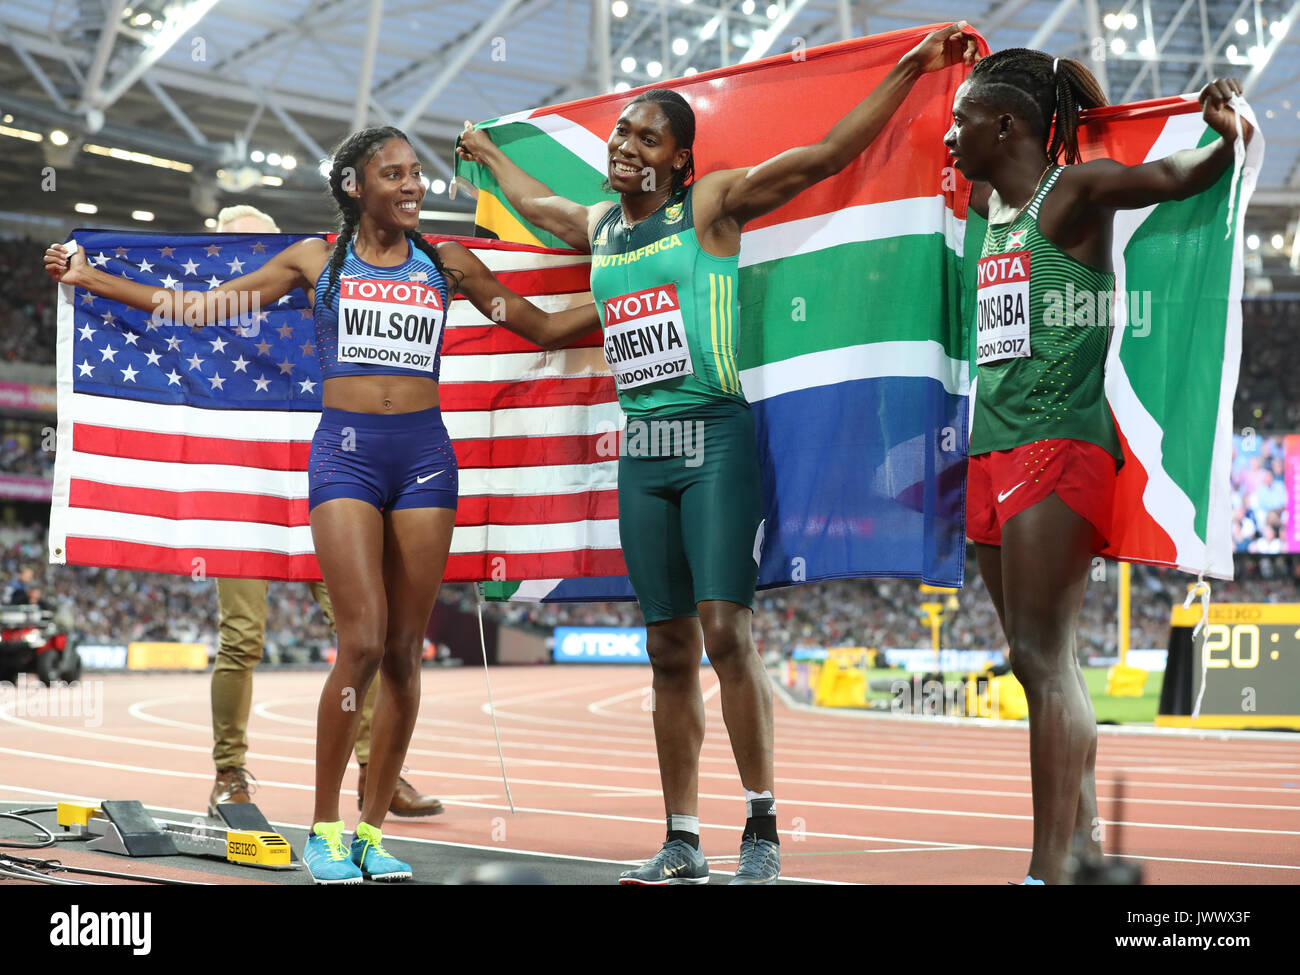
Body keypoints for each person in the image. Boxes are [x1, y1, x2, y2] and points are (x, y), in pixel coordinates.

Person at [457, 22, 979, 884]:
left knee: (724, 631)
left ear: (679, 162)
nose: (626, 146)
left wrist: (907, 71)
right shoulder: (598, 230)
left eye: (646, 137)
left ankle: (764, 826)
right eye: (622, 132)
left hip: (715, 438)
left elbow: (823, 156)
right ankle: (681, 837)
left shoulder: (711, 209)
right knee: (665, 649)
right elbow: (530, 204)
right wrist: (484, 153)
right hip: (643, 452)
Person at [44, 124, 601, 883]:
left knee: (406, 650)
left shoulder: (446, 259)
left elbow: (536, 326)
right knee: (363, 641)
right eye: (395, 175)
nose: (414, 187)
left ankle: (372, 830)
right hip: (347, 456)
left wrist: (633, 292)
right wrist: (92, 280)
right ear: (354, 186)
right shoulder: (318, 260)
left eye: (417, 175)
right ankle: (325, 827)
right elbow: (201, 310)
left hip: (427, 460)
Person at [944, 50, 1252, 883]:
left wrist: (1225, 140)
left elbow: (1170, 176)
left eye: (963, 119)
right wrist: (941, 70)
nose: (950, 135)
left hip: (1059, 443)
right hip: (990, 448)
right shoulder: (986, 205)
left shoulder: (1072, 195)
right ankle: (1083, 850)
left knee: (1046, 658)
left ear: (1005, 125)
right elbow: (920, 153)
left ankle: (1047, 869)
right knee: (1032, 659)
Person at [205, 204, 443, 821]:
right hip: (249, 490)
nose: (255, 258)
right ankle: (229, 773)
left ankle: (375, 772)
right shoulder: (223, 322)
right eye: (240, 250)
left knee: (359, 633)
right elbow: (184, 310)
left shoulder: (322, 293)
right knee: (241, 638)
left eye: (265, 246)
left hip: (333, 474)